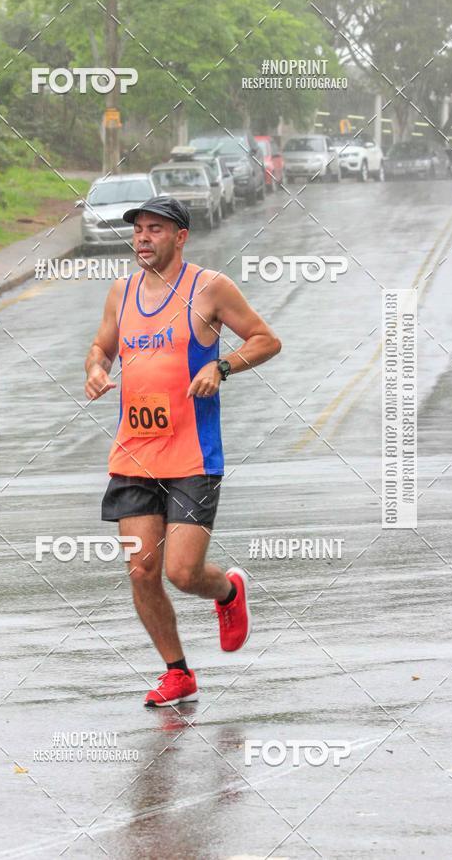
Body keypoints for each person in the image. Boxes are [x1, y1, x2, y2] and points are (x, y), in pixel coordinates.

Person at [84, 196, 281, 707]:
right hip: (134, 453)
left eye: (155, 229)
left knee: (182, 572)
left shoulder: (209, 288)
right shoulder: (121, 292)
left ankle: (228, 592)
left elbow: (265, 339)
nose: (143, 238)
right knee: (142, 570)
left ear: (180, 237)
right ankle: (178, 672)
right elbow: (102, 345)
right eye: (138, 230)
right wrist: (96, 369)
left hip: (193, 454)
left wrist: (222, 367)